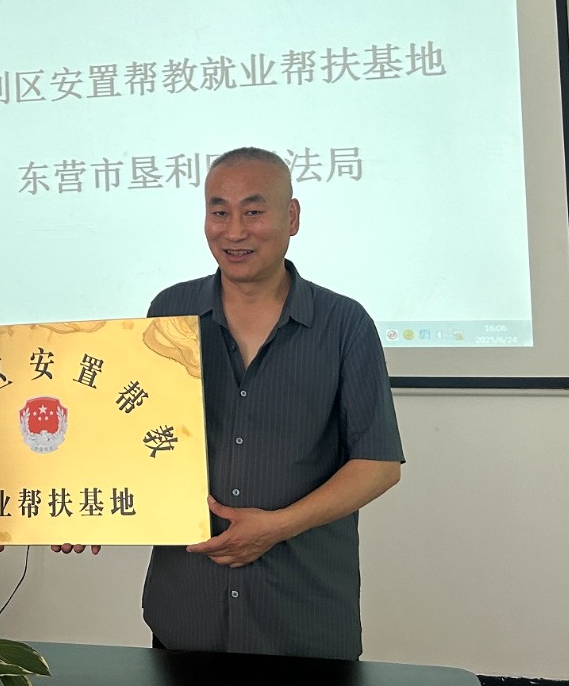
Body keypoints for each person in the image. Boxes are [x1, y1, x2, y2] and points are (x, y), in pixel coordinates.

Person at [142, 147, 403, 658]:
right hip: (186, 612)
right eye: (219, 211)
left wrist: (276, 528)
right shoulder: (170, 311)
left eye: (254, 211)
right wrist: (82, 513)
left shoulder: (344, 324)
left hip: (302, 618)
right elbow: (137, 436)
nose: (235, 231)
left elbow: (378, 464)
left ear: (292, 217)